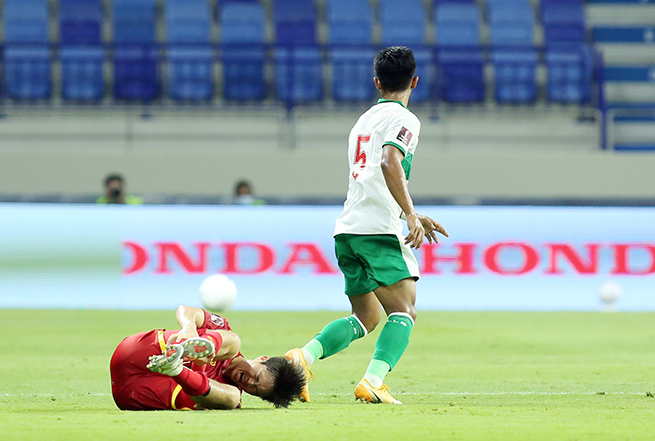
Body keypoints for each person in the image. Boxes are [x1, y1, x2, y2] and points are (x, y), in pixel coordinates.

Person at [284, 46, 449, 405]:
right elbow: (390, 162)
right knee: (403, 311)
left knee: (366, 316)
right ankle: (373, 381)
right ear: (414, 82)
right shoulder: (406, 119)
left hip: (348, 229)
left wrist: (409, 212)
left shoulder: (362, 122)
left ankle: (302, 358)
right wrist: (409, 213)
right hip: (377, 230)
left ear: (376, 82)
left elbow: (371, 177)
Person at [110, 305, 305, 410]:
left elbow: (233, 397)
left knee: (232, 400)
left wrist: (200, 367)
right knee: (233, 341)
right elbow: (185, 310)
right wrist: (189, 327)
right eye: (258, 376)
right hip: (138, 352)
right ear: (262, 358)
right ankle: (187, 347)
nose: (249, 383)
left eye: (255, 390)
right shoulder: (225, 333)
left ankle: (177, 368)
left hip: (133, 395)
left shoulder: (230, 393)